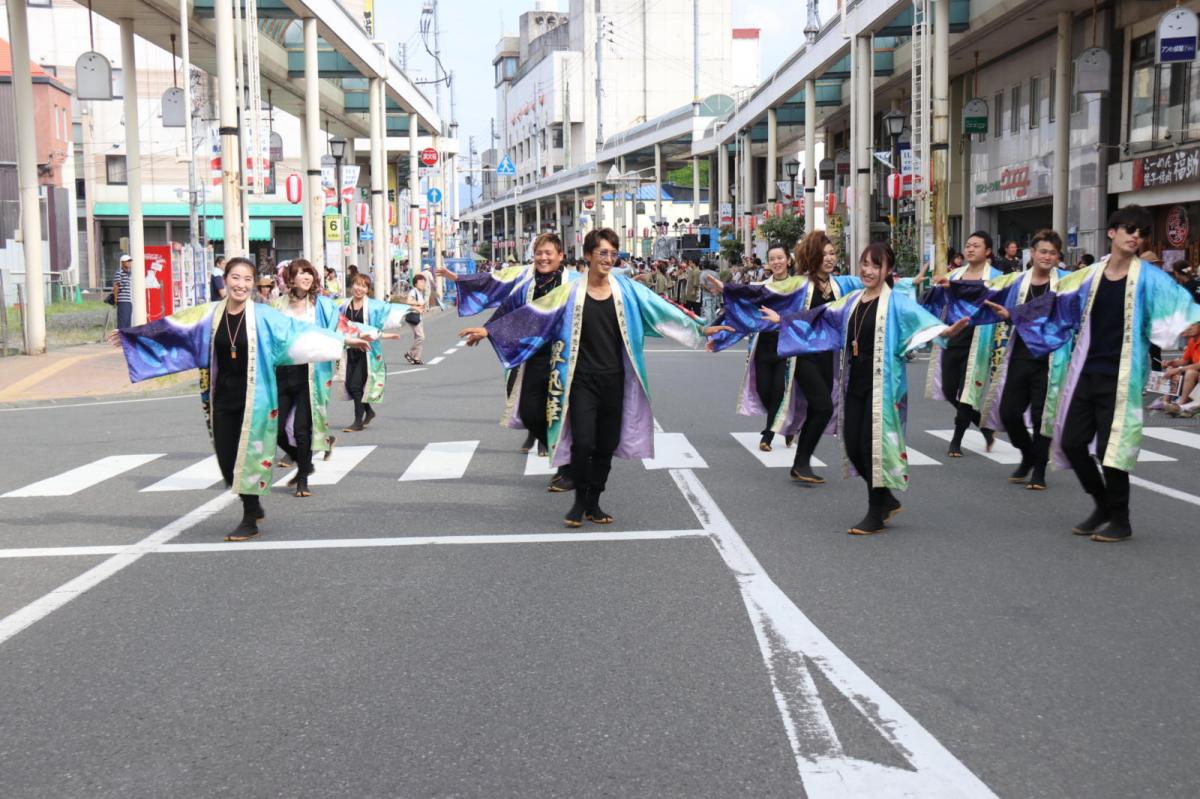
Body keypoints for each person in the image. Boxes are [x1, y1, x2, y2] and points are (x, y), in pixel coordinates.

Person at [459, 228, 730, 528]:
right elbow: (534, 314)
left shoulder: (626, 289)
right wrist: (489, 331)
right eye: (603, 253)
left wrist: (701, 328)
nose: (609, 259)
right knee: (584, 442)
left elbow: (663, 309)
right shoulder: (569, 292)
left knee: (605, 445)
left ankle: (594, 502)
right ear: (588, 255)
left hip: (615, 380)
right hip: (579, 380)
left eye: (613, 254)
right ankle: (578, 504)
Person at [109, 257, 370, 540]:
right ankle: (254, 502)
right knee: (226, 459)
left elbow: (299, 333)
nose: (241, 284)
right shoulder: (209, 315)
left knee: (249, 457)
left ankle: (249, 516)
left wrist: (343, 340)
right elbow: (173, 329)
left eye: (247, 279)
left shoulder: (264, 316)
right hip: (220, 396)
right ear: (226, 279)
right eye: (235, 277)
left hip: (255, 398)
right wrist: (130, 337)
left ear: (253, 283)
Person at [1011, 205, 1200, 542]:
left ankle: (1121, 519)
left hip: (1122, 377)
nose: (1135, 237)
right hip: (1085, 372)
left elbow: (1186, 313)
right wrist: (1014, 313)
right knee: (1071, 443)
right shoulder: (1090, 275)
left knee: (1111, 450)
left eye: (1141, 233)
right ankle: (1101, 504)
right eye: (1129, 229)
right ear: (1112, 232)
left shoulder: (1150, 278)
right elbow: (1056, 301)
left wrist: (1184, 325)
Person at [761, 243, 969, 535]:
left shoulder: (896, 302)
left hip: (883, 386)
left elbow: (922, 323)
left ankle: (875, 511)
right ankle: (886, 500)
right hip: (854, 381)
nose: (869, 271)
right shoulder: (852, 300)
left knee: (872, 448)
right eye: (865, 265)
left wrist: (945, 331)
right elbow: (820, 316)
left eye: (876, 266)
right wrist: (783, 321)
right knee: (853, 445)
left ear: (888, 271)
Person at [441, 234, 581, 488]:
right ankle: (565, 458)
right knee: (530, 413)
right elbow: (501, 293)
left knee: (562, 412)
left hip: (565, 354)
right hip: (532, 353)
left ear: (561, 256)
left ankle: (568, 467)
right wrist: (487, 329)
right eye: (539, 252)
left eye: (549, 253)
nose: (543, 257)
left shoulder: (574, 283)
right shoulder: (526, 281)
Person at [967, 229, 1072, 490]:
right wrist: (951, 285)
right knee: (1009, 413)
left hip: (1051, 359)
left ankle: (1038, 471)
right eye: (1043, 251)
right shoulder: (1017, 282)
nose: (1047, 257)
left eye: (1053, 253)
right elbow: (985, 290)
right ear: (1033, 254)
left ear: (1058, 257)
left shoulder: (1067, 283)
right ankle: (1028, 453)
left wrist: (1013, 314)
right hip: (1020, 355)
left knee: (1041, 415)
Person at [273, 259, 374, 495]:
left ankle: (302, 482)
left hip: (310, 374)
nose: (306, 277)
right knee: (276, 430)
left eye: (309, 273)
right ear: (291, 278)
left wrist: (354, 339)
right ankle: (305, 465)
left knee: (301, 429)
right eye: (300, 273)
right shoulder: (277, 305)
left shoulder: (323, 306)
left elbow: (337, 329)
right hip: (282, 373)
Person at [924, 231, 1002, 457]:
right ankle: (984, 425)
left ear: (987, 251)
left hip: (978, 341)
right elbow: (936, 301)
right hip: (953, 339)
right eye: (968, 245)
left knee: (968, 392)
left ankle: (956, 441)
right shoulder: (955, 275)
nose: (970, 249)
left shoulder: (995, 277)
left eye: (976, 246)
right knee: (950, 391)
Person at [338, 273, 412, 432]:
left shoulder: (373, 306)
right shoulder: (343, 305)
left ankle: (358, 421)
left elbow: (388, 312)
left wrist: (410, 308)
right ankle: (369, 411)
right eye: (357, 284)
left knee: (357, 386)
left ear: (368, 290)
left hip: (367, 351)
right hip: (350, 350)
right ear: (351, 286)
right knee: (350, 386)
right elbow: (337, 323)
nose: (360, 289)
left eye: (364, 286)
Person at [404, 273, 429, 364]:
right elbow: (408, 301)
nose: (423, 284)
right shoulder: (413, 291)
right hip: (413, 317)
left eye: (424, 282)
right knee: (421, 337)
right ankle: (410, 353)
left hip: (418, 317)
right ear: (415, 284)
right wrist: (419, 304)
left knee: (418, 337)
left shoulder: (419, 292)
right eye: (421, 282)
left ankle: (417, 357)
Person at [112, 254, 134, 329]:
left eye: (129, 261)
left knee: (128, 322)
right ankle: (120, 339)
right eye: (127, 261)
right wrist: (115, 299)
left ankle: (126, 339)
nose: (129, 263)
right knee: (122, 323)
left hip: (129, 301)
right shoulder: (119, 272)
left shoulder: (129, 274)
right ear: (122, 262)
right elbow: (116, 286)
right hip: (122, 301)